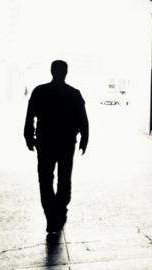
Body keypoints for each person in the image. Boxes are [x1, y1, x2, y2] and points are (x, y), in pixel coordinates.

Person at [24, 60, 89, 233]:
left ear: (51, 71)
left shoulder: (40, 91)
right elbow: (83, 120)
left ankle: (51, 215)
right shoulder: (73, 93)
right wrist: (84, 139)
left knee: (45, 179)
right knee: (64, 178)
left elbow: (30, 116)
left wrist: (28, 136)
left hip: (45, 142)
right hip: (66, 142)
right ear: (66, 72)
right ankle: (59, 212)